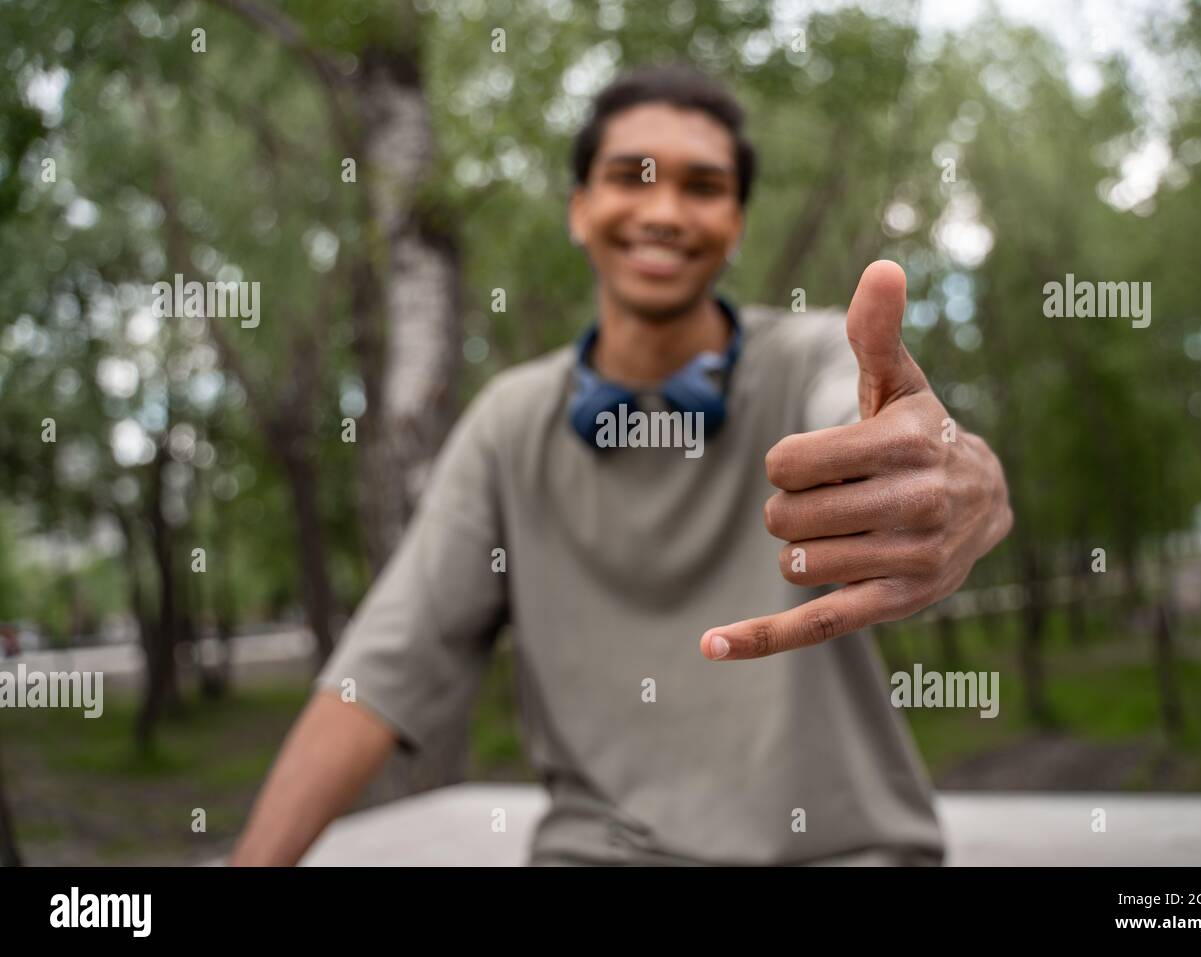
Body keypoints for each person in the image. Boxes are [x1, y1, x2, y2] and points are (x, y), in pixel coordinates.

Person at [230, 63, 1013, 867]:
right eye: (629, 178)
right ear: (580, 209)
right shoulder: (509, 424)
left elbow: (886, 430)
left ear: (737, 221)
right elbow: (381, 673)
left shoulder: (814, 357)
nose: (665, 211)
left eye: (703, 186)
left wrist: (960, 477)